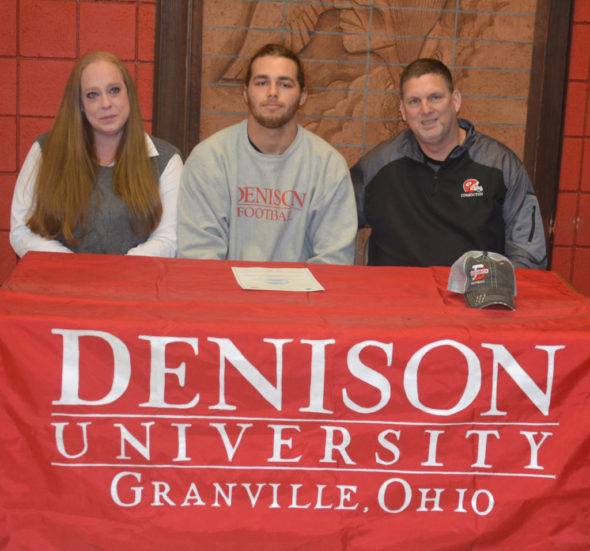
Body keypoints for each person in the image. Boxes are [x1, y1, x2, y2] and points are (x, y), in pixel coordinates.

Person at [351, 58, 547, 269]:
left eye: (435, 97)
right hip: (397, 298)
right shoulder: (377, 165)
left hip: (472, 298)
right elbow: (333, 220)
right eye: (414, 101)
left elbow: (529, 256)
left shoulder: (500, 165)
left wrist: (496, 292)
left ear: (455, 100)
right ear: (402, 110)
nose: (425, 110)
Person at [177, 43, 357, 264]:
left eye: (285, 84)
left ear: (303, 96)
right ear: (246, 93)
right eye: (262, 83)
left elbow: (335, 260)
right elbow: (199, 256)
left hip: (302, 296)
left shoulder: (329, 166)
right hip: (226, 296)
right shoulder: (209, 159)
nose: (272, 93)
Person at [10, 51, 182, 257]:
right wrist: (76, 270)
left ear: (129, 94)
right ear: (80, 105)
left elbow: (168, 238)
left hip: (135, 283)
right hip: (58, 281)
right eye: (93, 95)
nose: (106, 104)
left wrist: (117, 273)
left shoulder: (166, 160)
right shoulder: (45, 150)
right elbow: (22, 230)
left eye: (114, 90)